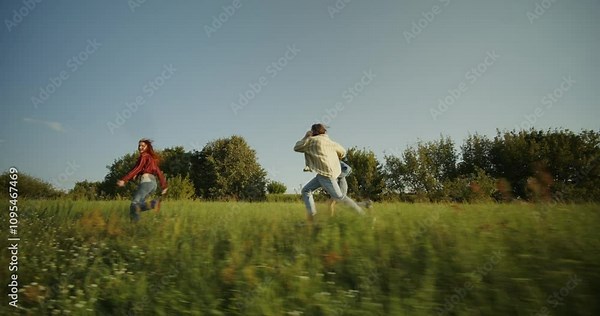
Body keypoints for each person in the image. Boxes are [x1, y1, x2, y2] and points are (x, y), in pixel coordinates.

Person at [294, 124, 365, 222]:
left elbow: (297, 147)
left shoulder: (311, 141)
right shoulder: (331, 143)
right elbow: (343, 152)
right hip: (326, 173)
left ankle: (364, 217)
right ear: (324, 132)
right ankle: (311, 218)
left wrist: (306, 136)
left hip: (327, 175)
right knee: (306, 190)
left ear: (313, 132)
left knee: (340, 198)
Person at [117, 138, 168, 222]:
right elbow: (159, 172)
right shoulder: (151, 159)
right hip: (153, 185)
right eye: (139, 146)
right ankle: (136, 226)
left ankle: (153, 204)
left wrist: (124, 180)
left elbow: (137, 168)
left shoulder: (144, 156)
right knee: (138, 206)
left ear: (147, 147)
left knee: (134, 205)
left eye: (143, 146)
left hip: (146, 183)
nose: (140, 147)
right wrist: (164, 186)